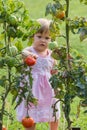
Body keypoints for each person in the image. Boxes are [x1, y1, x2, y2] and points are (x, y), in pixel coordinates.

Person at [16, 18, 60, 130]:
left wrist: (57, 86)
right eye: (39, 37)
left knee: (53, 113)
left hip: (48, 91)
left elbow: (54, 71)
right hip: (32, 90)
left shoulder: (52, 55)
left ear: (51, 40)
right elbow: (22, 53)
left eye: (47, 38)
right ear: (32, 37)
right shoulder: (29, 52)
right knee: (31, 114)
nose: (43, 40)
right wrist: (28, 55)